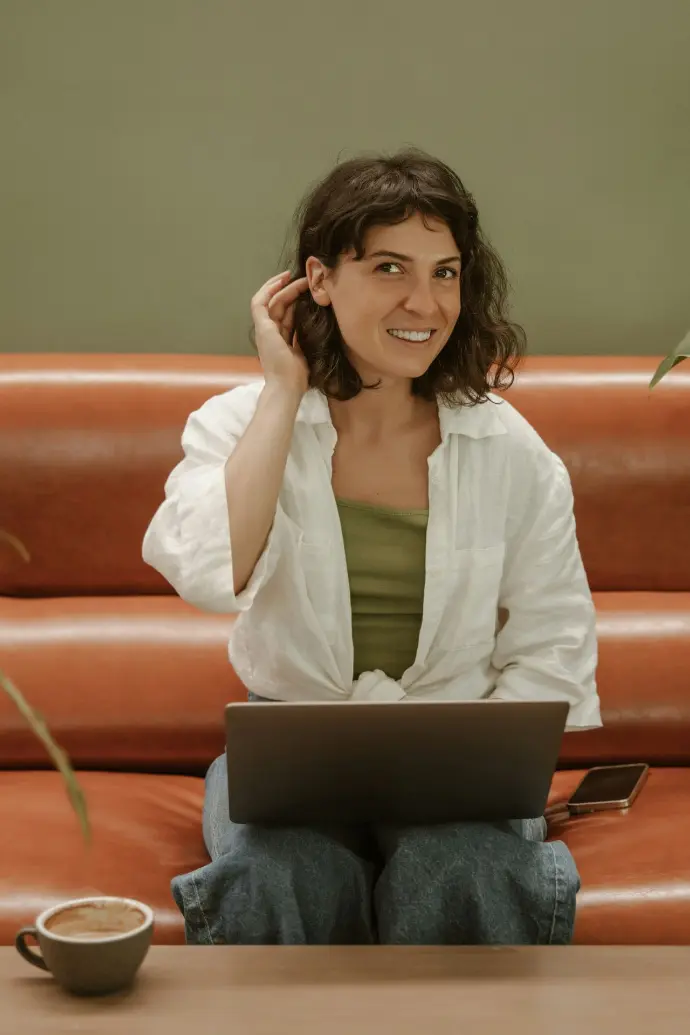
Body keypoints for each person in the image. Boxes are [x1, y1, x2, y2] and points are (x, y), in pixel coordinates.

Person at [142, 148, 601, 947]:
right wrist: (283, 391)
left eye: (446, 272)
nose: (424, 301)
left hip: (462, 763)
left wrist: (483, 758)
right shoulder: (238, 422)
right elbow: (211, 573)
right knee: (280, 872)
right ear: (319, 279)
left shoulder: (511, 450)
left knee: (456, 862)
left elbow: (553, 640)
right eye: (390, 267)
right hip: (291, 765)